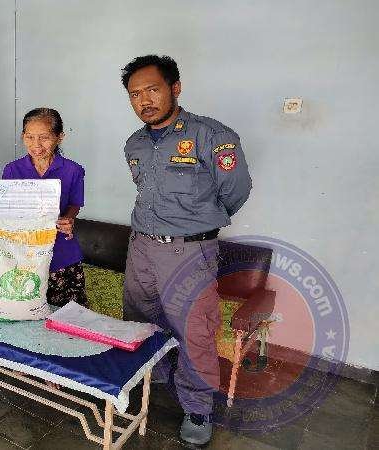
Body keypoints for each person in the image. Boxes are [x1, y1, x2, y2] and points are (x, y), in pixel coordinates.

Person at [120, 55, 252, 445]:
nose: (144, 100)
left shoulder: (212, 136)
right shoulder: (135, 144)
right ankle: (154, 377)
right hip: (141, 247)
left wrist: (199, 224)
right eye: (135, 94)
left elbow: (236, 190)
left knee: (195, 331)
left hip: (189, 253)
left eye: (152, 89)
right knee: (139, 319)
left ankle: (197, 408)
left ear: (175, 88)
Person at [0, 108, 87, 306]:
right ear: (23, 136)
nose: (36, 145)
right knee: (23, 309)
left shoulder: (73, 170)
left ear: (59, 137)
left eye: (44, 137)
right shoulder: (12, 169)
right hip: (22, 253)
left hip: (60, 253)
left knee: (66, 314)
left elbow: (75, 203)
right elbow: (6, 208)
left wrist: (68, 218)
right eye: (29, 137)